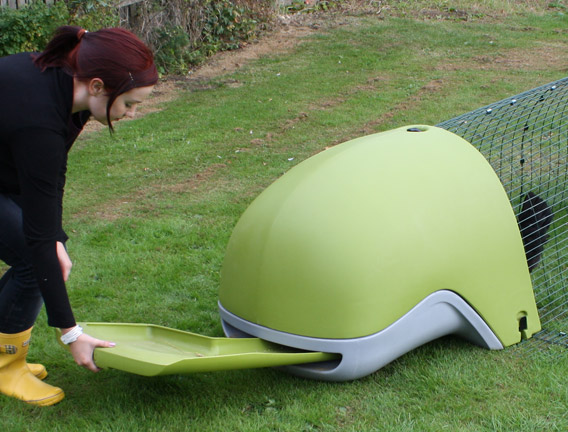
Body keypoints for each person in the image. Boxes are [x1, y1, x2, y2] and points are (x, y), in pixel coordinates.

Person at [0, 25, 159, 406]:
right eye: (129, 104)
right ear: (99, 85)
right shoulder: (38, 118)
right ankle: (6, 368)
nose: (131, 114)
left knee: (42, 256)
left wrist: (55, 237)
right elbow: (37, 234)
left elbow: (53, 178)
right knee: (33, 261)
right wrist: (71, 333)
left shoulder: (64, 85)